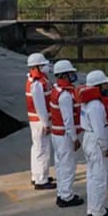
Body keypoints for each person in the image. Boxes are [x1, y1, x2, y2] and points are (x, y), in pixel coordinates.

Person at [80, 70, 108, 216]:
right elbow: (99, 129)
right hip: (96, 141)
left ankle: (93, 208)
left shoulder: (87, 102)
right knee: (100, 177)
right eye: (105, 83)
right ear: (98, 86)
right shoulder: (96, 105)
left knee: (92, 176)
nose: (107, 85)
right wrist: (104, 146)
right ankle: (98, 212)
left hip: (88, 138)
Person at [49, 59, 84, 207]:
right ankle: (66, 196)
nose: (73, 75)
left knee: (60, 164)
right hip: (64, 135)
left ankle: (62, 192)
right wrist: (74, 138)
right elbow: (68, 119)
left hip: (57, 134)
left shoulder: (56, 89)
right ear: (64, 75)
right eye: (70, 73)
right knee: (68, 165)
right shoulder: (65, 95)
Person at [25, 53, 56, 190]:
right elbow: (40, 106)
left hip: (37, 120)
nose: (46, 66)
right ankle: (41, 180)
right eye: (43, 65)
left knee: (37, 148)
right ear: (37, 66)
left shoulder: (37, 80)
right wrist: (45, 123)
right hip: (39, 121)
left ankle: (37, 175)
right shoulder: (37, 83)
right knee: (42, 149)